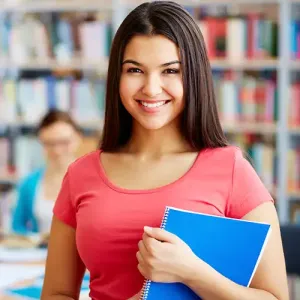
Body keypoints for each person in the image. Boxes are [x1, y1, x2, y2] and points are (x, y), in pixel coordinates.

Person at [42, 2, 289, 300]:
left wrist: (191, 272)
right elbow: (56, 293)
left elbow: (275, 298)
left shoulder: (232, 169)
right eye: (135, 70)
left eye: (170, 70)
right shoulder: (81, 174)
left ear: (193, 77)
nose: (151, 88)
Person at [11, 110, 82, 236]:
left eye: (64, 142)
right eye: (49, 143)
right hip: (41, 254)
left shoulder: (95, 180)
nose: (57, 150)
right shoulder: (29, 184)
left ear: (78, 138)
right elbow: (17, 227)